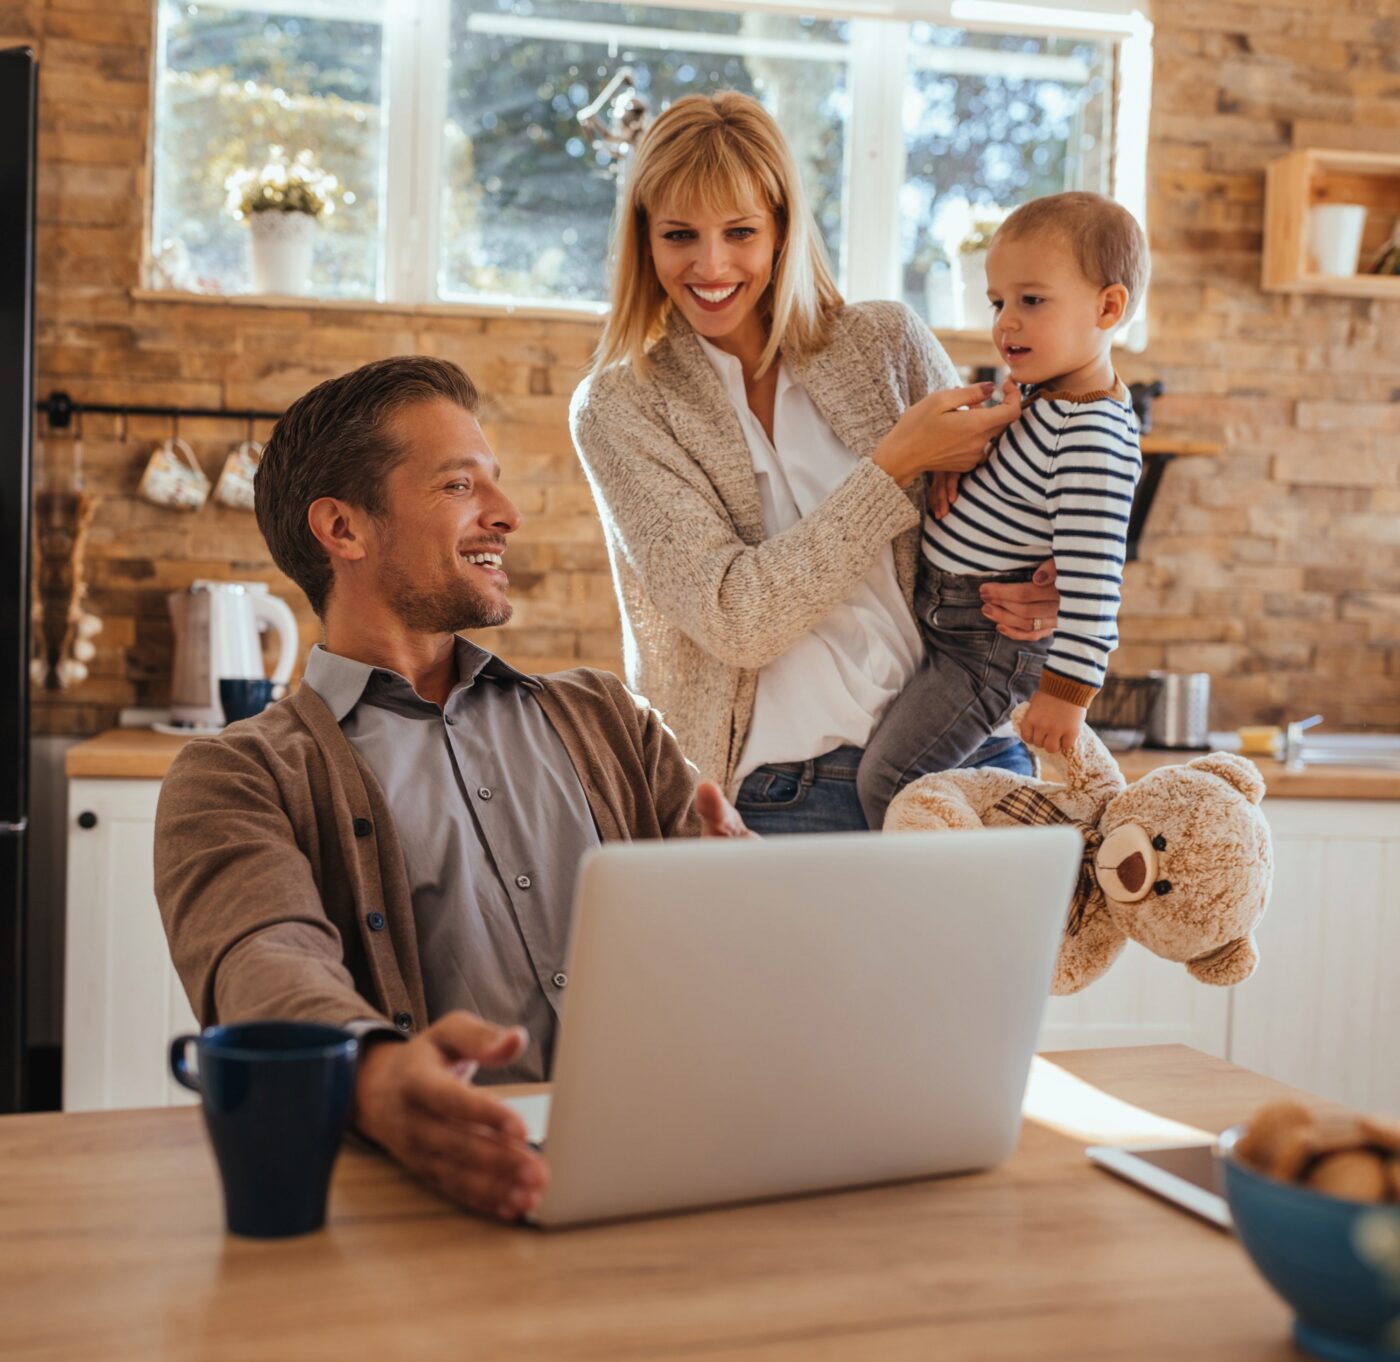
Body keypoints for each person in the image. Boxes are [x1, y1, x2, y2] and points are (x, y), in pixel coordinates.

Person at [153, 356, 751, 1223]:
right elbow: (263, 956)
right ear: (343, 530)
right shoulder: (237, 776)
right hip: (438, 1202)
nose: (504, 516)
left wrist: (750, 895)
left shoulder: (609, 717)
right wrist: (371, 1070)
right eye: (460, 484)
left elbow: (730, 918)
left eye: (493, 485)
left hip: (676, 1169)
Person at [570, 92, 1063, 836]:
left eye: (740, 232)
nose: (711, 264)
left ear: (782, 231)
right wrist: (891, 466)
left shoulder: (887, 344)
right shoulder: (620, 408)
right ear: (644, 240)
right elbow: (736, 619)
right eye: (679, 235)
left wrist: (1041, 595)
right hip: (792, 797)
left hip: (973, 760)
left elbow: (1002, 521)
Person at [856, 192, 1149, 827]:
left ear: (1108, 306)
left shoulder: (1092, 435)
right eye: (999, 302)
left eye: (1032, 301)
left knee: (891, 779)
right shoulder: (1044, 399)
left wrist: (1065, 694)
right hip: (950, 622)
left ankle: (957, 915)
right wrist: (948, 470)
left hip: (985, 647)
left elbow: (1096, 582)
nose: (1006, 322)